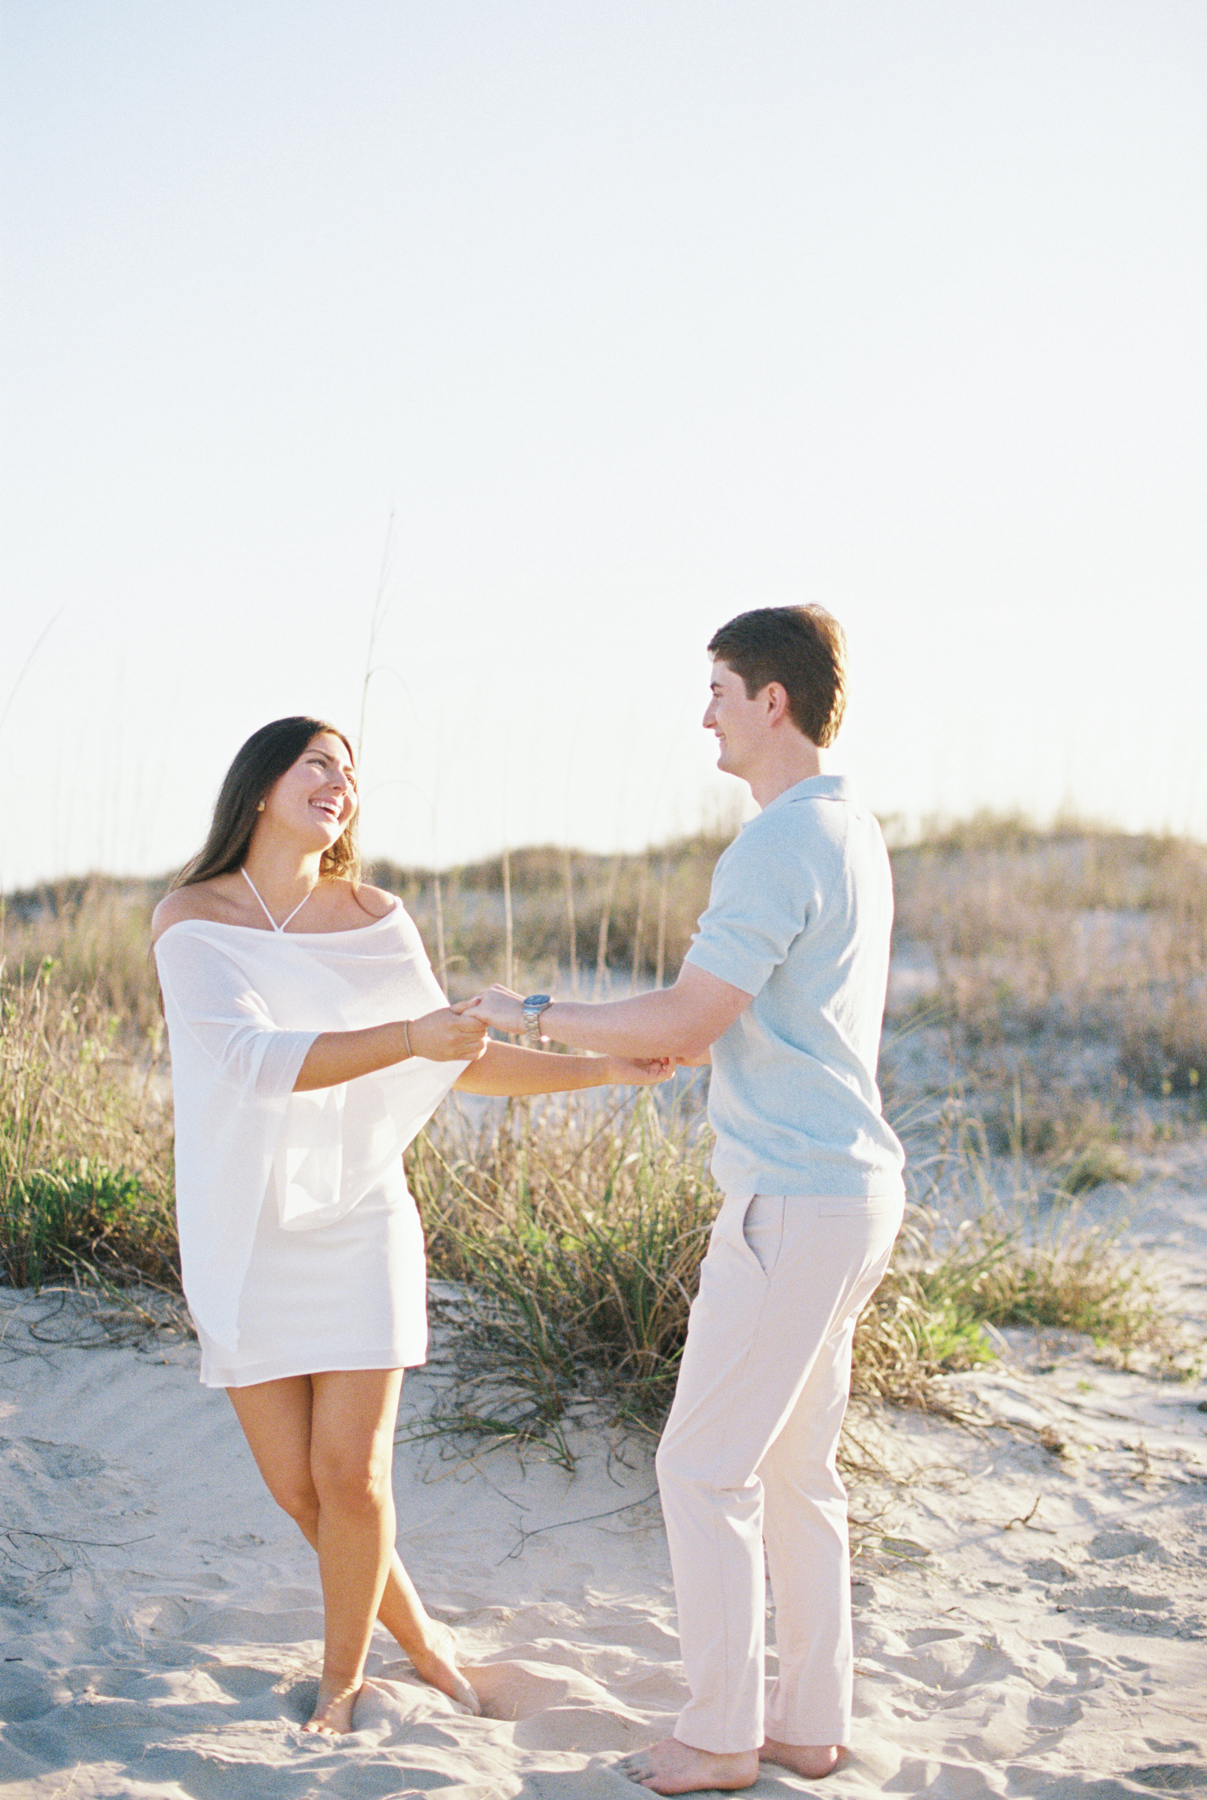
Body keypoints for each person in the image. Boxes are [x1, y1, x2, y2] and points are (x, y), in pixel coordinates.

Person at [151, 716, 669, 1737]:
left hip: (360, 1222)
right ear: (261, 785)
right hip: (244, 1232)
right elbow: (256, 1060)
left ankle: (342, 1686)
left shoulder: (377, 914)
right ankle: (425, 1642)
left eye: (350, 771)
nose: (339, 782)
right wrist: (408, 1035)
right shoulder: (190, 918)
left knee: (354, 1474)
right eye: (317, 763)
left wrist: (599, 1068)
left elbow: (458, 1059)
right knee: (301, 1493)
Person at [465, 606, 906, 1794]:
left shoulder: (773, 842)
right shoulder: (849, 828)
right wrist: (655, 1037)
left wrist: (530, 1014)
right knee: (793, 1471)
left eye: (718, 687)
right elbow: (737, 1021)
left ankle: (716, 1738)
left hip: (792, 1202)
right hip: (853, 1192)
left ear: (774, 700)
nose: (702, 711)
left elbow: (688, 1016)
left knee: (702, 1469)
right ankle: (806, 1728)